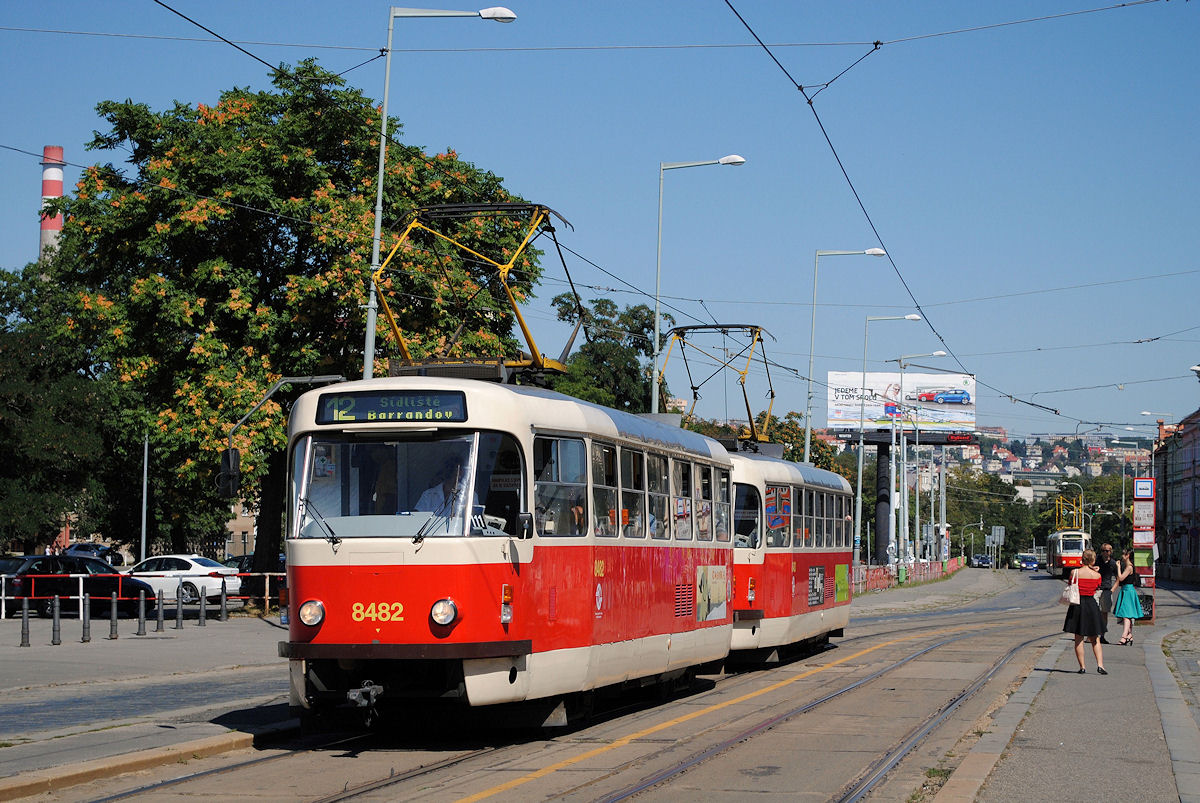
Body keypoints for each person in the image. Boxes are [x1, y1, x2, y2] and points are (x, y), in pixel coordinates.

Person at [1063, 547, 1107, 674]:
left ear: (1082, 559)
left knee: (1078, 638)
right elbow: (1097, 588)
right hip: (1091, 605)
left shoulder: (1074, 573)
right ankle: (1100, 665)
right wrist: (1093, 569)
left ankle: (1082, 667)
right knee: (1095, 638)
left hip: (1077, 605)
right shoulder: (1097, 575)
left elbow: (1071, 584)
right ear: (1093, 560)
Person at [1112, 547, 1143, 645]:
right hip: (1126, 590)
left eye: (1123, 554)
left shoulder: (1129, 567)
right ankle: (1129, 635)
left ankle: (1124, 636)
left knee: (1126, 615)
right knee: (1127, 615)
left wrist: (1117, 567)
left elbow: (1120, 578)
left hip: (1128, 591)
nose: (1122, 556)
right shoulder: (1128, 566)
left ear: (1128, 555)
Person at [1094, 543, 1118, 643]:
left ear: (1110, 552)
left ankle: (1102, 635)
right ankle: (1093, 634)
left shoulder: (1113, 563)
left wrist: (1112, 590)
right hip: (1096, 589)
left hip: (1107, 590)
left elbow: (1118, 578)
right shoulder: (1096, 560)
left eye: (1107, 551)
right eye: (1103, 550)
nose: (1105, 553)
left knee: (1104, 613)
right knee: (1094, 612)